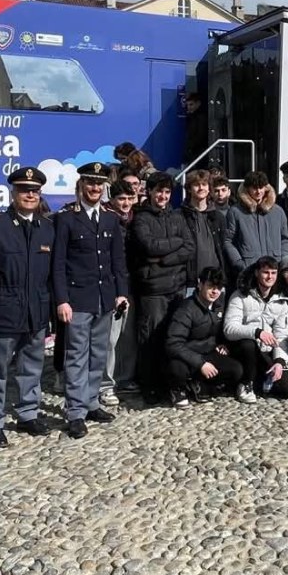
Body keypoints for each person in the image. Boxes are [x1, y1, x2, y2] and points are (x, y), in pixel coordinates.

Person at [52, 161, 129, 439]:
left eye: (99, 183)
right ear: (81, 186)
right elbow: (58, 263)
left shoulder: (110, 219)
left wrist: (121, 292)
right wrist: (62, 299)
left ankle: (92, 402)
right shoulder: (66, 219)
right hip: (77, 299)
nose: (95, 188)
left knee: (99, 353)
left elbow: (117, 261)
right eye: (90, 183)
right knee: (76, 356)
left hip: (104, 298)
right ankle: (75, 411)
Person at [0, 166, 55, 448]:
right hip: (4, 308)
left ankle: (27, 413)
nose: (30, 195)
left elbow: (51, 273)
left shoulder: (47, 228)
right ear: (13, 193)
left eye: (35, 191)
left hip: (36, 309)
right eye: (25, 190)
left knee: (32, 366)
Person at [128, 171, 193, 403]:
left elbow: (188, 246)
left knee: (171, 337)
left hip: (176, 285)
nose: (163, 196)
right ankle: (149, 385)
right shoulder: (141, 218)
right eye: (159, 191)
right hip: (153, 288)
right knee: (150, 338)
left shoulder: (177, 216)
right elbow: (149, 247)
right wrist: (172, 247)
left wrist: (165, 258)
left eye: (167, 192)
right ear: (150, 192)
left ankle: (169, 383)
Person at [165, 267, 245, 406]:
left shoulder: (219, 305)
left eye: (219, 287)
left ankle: (200, 386)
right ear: (200, 284)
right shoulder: (186, 309)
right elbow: (173, 343)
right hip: (187, 356)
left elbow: (218, 332)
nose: (215, 291)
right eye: (210, 286)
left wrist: (222, 344)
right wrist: (200, 363)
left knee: (236, 370)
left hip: (208, 352)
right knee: (177, 368)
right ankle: (178, 390)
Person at [223, 257, 288, 399]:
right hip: (244, 349)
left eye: (273, 273)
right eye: (266, 272)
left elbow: (281, 335)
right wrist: (257, 332)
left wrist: (279, 362)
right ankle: (246, 384)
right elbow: (229, 329)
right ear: (257, 273)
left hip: (267, 352)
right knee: (248, 344)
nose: (270, 277)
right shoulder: (240, 295)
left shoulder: (281, 300)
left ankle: (261, 379)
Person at [102, 179, 137, 401]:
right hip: (113, 285)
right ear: (113, 200)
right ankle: (106, 383)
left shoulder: (136, 220)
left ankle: (125, 378)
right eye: (121, 199)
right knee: (110, 339)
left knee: (128, 336)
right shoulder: (107, 220)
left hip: (133, 284)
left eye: (129, 198)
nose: (125, 203)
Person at [224, 171, 288, 278]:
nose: (258, 191)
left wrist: (282, 260)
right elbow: (228, 241)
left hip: (273, 271)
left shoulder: (278, 211)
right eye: (254, 188)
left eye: (261, 187)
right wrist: (239, 263)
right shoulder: (235, 211)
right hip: (248, 271)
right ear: (247, 189)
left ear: (266, 188)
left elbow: (285, 239)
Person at [178, 169, 226, 289]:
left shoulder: (218, 217)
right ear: (189, 189)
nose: (201, 188)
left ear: (209, 188)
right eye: (196, 185)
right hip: (189, 282)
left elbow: (223, 248)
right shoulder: (179, 216)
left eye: (204, 184)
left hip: (215, 280)